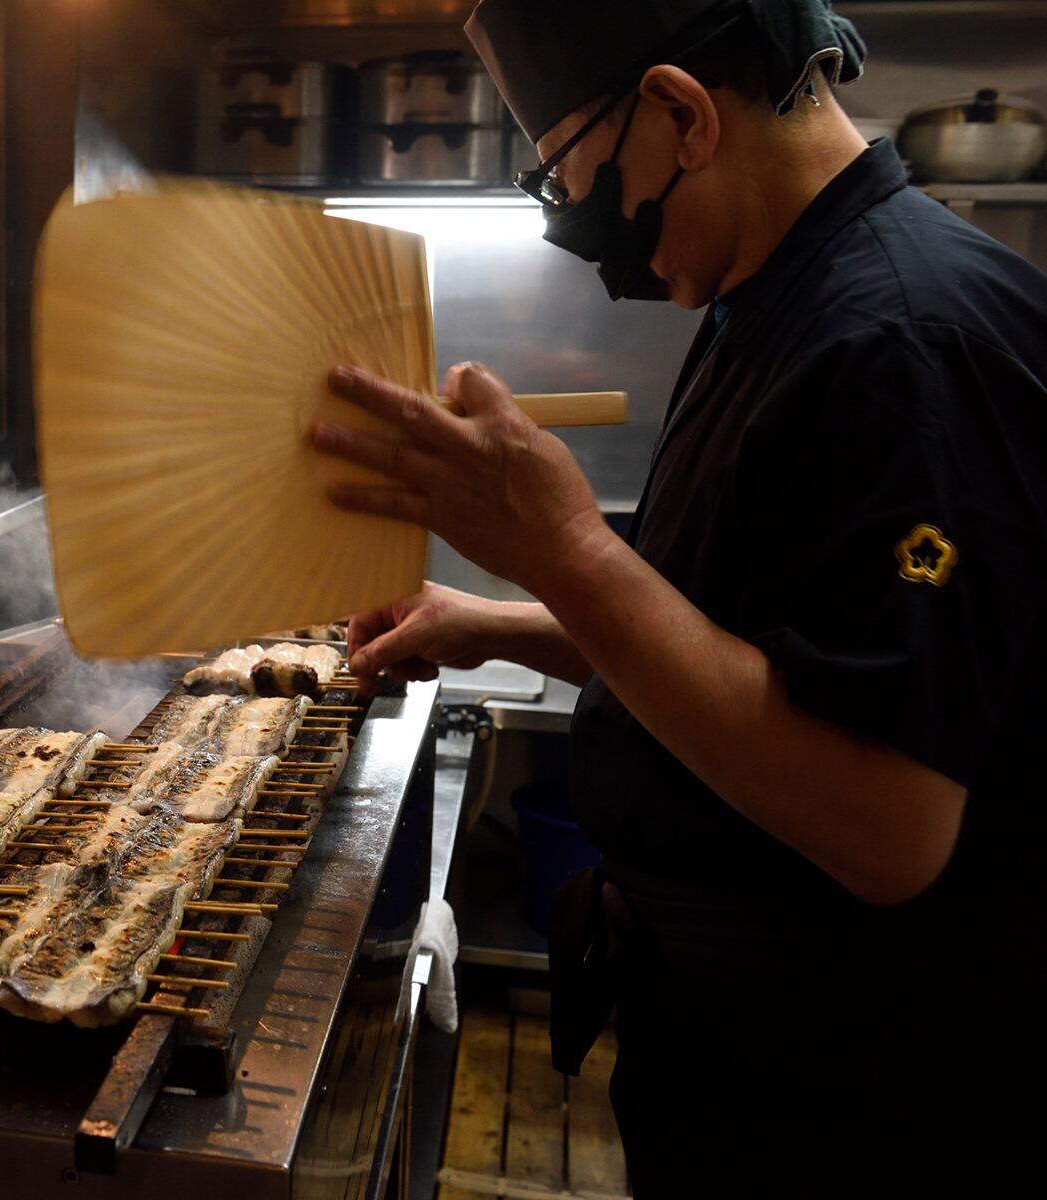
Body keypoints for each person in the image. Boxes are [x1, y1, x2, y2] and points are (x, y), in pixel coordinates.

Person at [307, 0, 1047, 1194]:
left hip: (871, 1110)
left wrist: (564, 548)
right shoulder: (767, 294)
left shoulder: (900, 346)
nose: (567, 222)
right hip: (737, 1056)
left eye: (563, 173)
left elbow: (889, 828)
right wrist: (486, 621)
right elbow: (734, 641)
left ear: (682, 115)